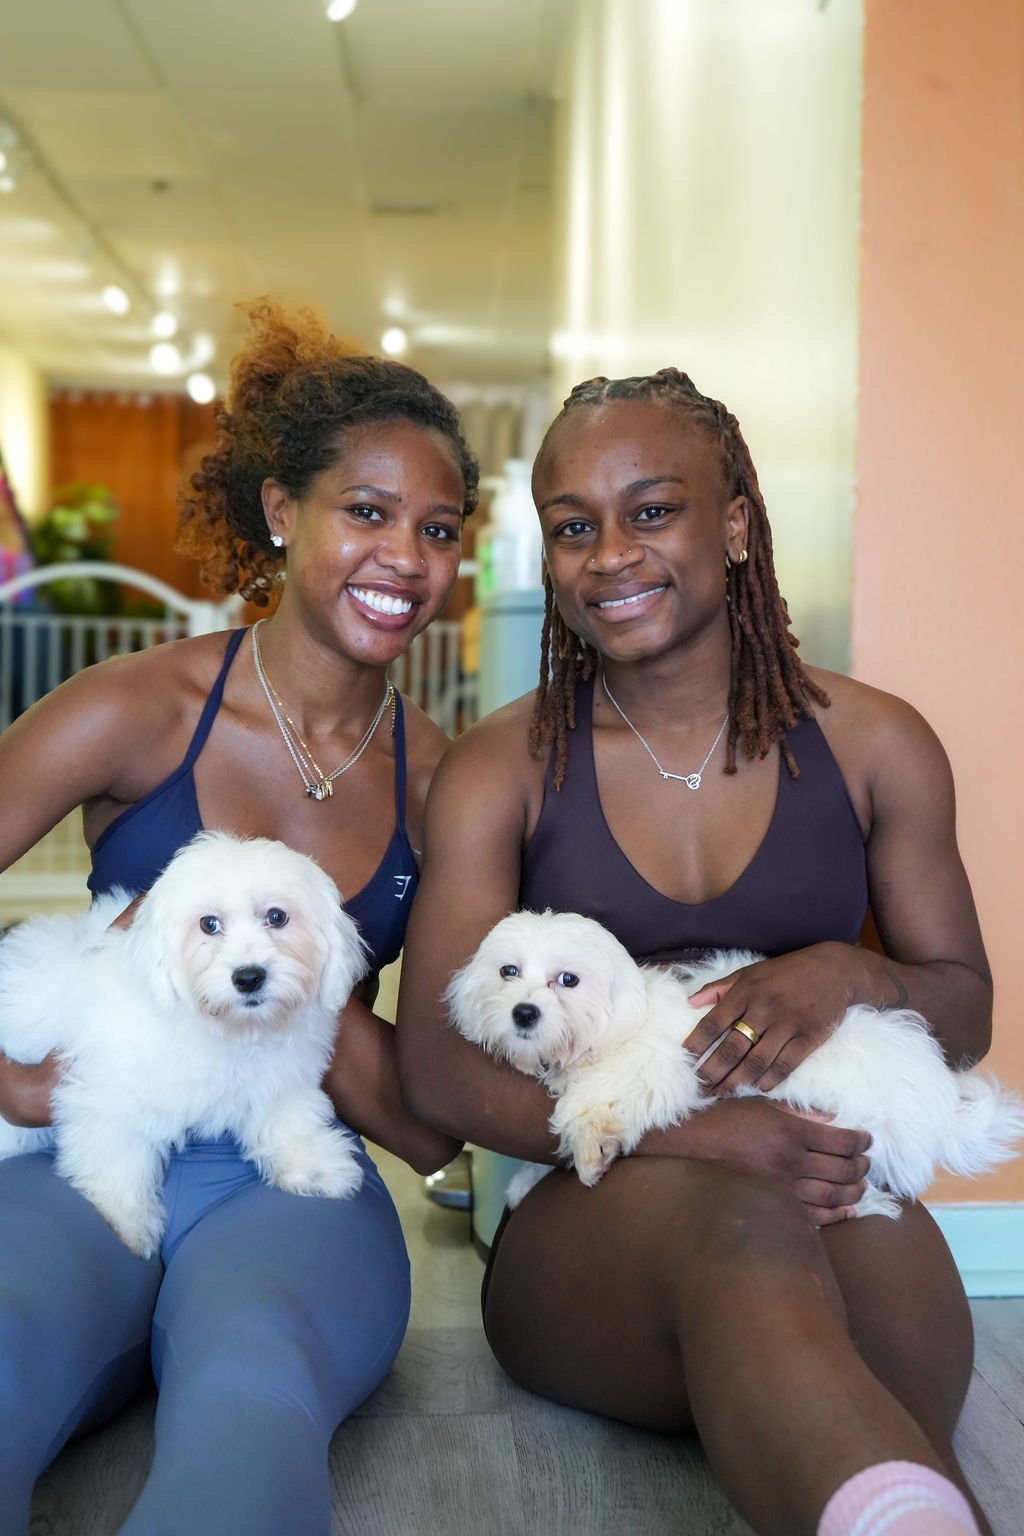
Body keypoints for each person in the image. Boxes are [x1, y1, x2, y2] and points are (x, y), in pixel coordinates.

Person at [396, 368, 995, 1536]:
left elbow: (961, 1005)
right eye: (573, 528)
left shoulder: (877, 743)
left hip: (828, 1174)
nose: (609, 553)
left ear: (732, 522)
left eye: (652, 510)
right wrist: (701, 1131)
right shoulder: (501, 766)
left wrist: (848, 970)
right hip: (592, 1210)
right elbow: (435, 1064)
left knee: (883, 1336)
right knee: (740, 1223)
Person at [0, 299, 476, 1536]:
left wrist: (454, 1148)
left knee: (249, 1390)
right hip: (85, 1143)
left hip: (286, 1167)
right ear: (282, 511)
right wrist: (0, 1074)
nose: (405, 559)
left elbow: (428, 1069)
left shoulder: (444, 778)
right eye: (366, 514)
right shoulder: (134, 709)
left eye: (437, 529)